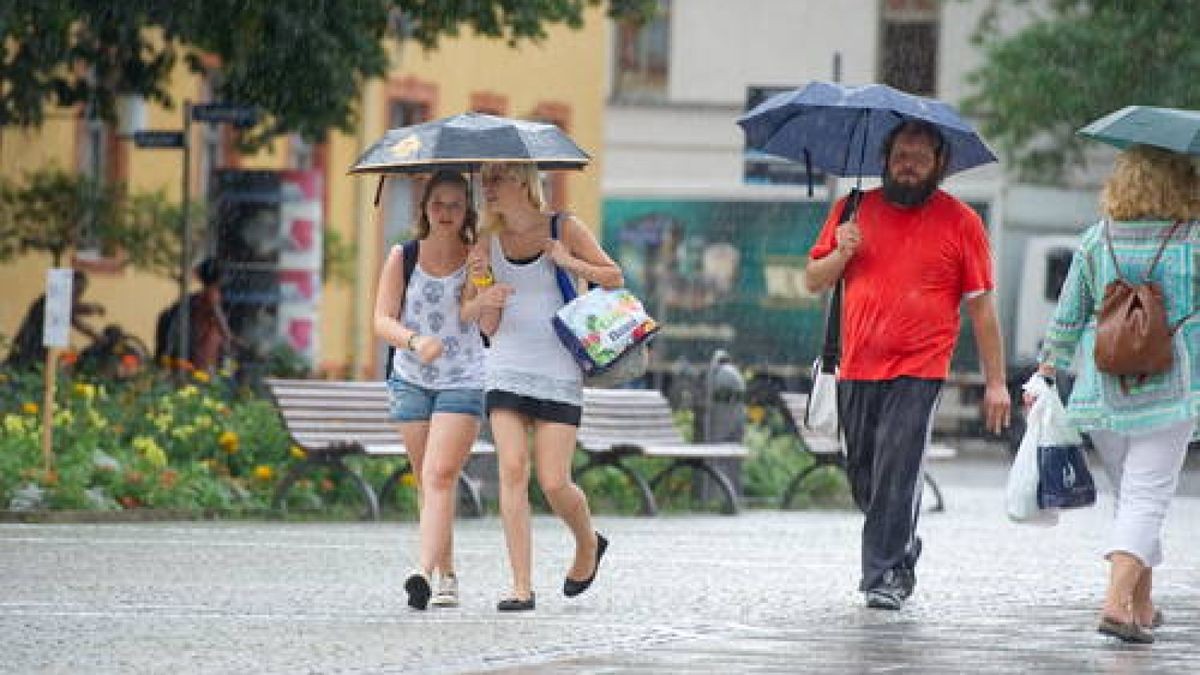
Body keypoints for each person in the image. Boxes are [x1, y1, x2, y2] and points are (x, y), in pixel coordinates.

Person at [804, 119, 1011, 610]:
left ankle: (882, 577)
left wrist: (996, 383)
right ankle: (899, 548)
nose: (909, 162)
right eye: (901, 152)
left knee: (897, 468)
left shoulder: (962, 223)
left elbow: (982, 307)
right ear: (885, 157)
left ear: (940, 165)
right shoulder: (851, 210)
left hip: (920, 367)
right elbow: (814, 280)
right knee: (866, 478)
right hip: (856, 366)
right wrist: (841, 252)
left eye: (921, 155)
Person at [1029, 145, 1199, 644]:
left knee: (1133, 498)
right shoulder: (1193, 240)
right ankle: (1115, 604)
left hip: (1102, 391)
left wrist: (1045, 370)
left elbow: (1069, 315)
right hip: (1171, 389)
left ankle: (1142, 604)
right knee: (1147, 498)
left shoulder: (1096, 240)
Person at [462, 162, 623, 612]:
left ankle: (588, 544)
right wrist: (481, 285)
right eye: (485, 180)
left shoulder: (564, 226)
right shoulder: (485, 242)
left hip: (558, 368)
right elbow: (487, 324)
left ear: (524, 182)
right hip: (506, 364)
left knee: (554, 482)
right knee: (512, 470)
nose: (488, 189)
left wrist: (568, 260)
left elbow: (614, 276)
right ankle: (521, 586)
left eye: (498, 179)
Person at [372, 170, 486, 610]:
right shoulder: (404, 256)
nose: (446, 213)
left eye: (455, 205)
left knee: (440, 476)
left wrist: (483, 280)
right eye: (438, 204)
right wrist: (416, 341)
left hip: (464, 378)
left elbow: (483, 320)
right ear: (425, 208)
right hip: (412, 378)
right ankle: (449, 574)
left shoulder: (477, 255)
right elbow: (381, 319)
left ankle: (421, 571)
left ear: (466, 211)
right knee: (429, 481)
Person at [6, 269, 103, 368]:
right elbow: (71, 314)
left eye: (81, 291)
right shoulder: (52, 299)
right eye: (78, 290)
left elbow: (72, 314)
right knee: (21, 365)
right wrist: (91, 311)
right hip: (31, 341)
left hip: (42, 345)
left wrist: (94, 331)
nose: (79, 294)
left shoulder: (61, 301)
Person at [154, 258, 237, 373]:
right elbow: (221, 322)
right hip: (204, 352)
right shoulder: (212, 295)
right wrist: (230, 337)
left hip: (195, 348)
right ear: (219, 277)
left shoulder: (197, 297)